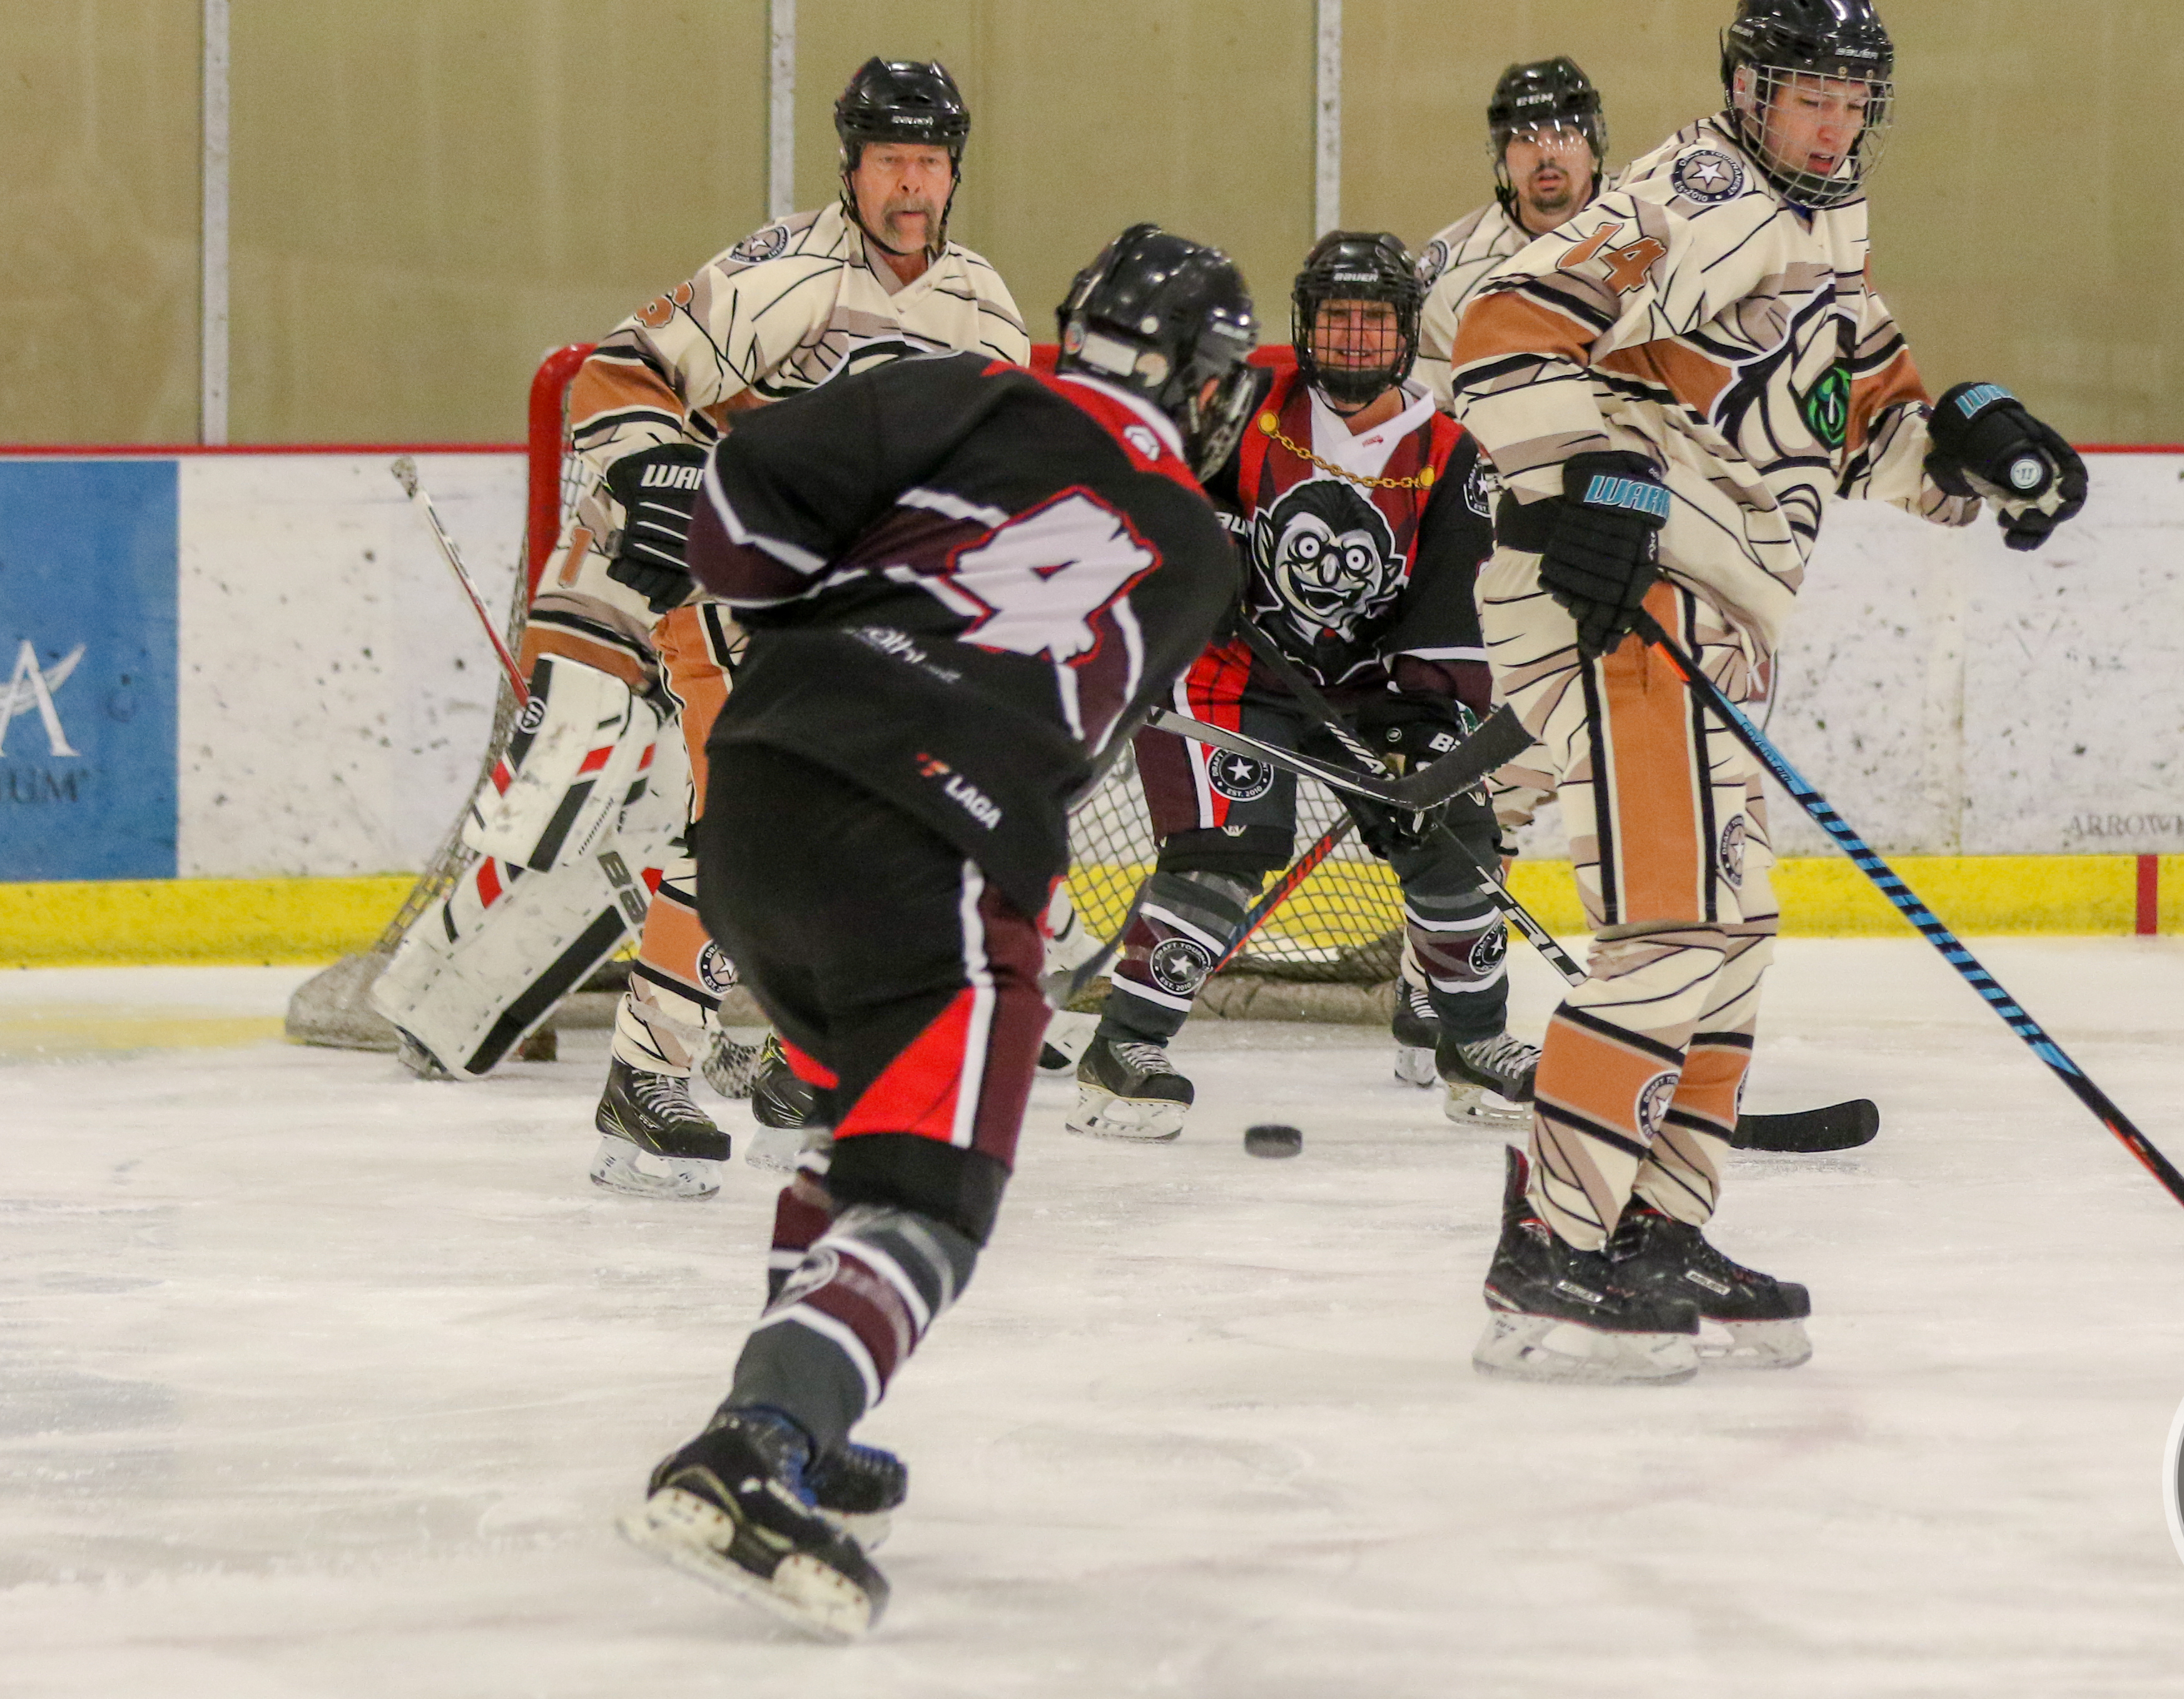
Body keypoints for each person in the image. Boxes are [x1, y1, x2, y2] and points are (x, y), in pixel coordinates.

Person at [617, 226, 1258, 1640]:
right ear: (1207, 388)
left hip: (762, 798)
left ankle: (798, 1398)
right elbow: (1080, 714)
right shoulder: (1200, 551)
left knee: (858, 1127)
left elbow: (744, 516)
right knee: (927, 1194)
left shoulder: (960, 386)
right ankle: (752, 1444)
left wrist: (838, 601)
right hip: (937, 851)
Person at [1449, 0, 2088, 1383]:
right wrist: (1593, 485)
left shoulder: (1825, 244)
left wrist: (1984, 455)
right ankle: (1550, 1253)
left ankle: (1655, 1232)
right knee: (1671, 924)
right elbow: (1496, 327)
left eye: (1854, 101)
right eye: (1808, 96)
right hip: (1623, 602)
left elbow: (1858, 434)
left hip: (1717, 613)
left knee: (1729, 930)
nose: (1832, 123)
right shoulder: (1697, 193)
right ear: (1747, 91)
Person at [369, 59, 1033, 1201]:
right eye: (889, 161)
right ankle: (646, 1080)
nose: (909, 183)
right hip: (726, 579)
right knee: (747, 823)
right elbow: (612, 374)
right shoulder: (784, 274)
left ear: (955, 170)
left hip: (845, 608)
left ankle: (794, 1070)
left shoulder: (983, 307)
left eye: (928, 161)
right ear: (851, 168)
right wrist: (664, 473)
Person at [1070, 231, 1539, 1140]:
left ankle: (1473, 1042)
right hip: (1232, 669)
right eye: (1337, 319)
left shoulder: (1449, 449)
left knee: (1454, 831)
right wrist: (1196, 574)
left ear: (1405, 333)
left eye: (1374, 321)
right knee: (1228, 847)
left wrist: (1426, 728)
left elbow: (1448, 606)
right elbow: (1157, 493)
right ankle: (1123, 1048)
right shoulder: (1247, 404)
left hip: (1377, 686)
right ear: (1306, 325)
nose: (1355, 339)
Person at [1411, 58, 1612, 406]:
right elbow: (1432, 404)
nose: (1547, 154)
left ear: (1593, 147)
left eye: (1564, 135)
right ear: (1502, 155)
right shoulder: (1456, 264)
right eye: (1526, 139)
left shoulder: (1650, 229)